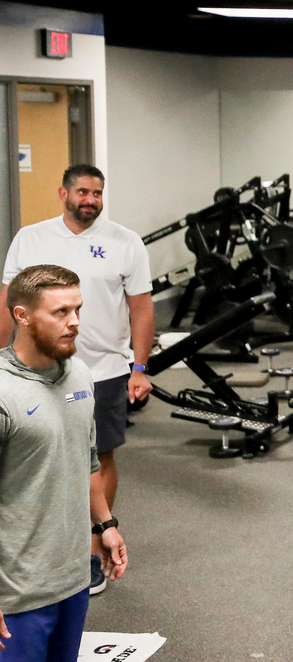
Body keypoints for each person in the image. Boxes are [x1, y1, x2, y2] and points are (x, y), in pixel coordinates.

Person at [0, 164, 152, 596]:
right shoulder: (30, 237)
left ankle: (90, 551)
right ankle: (33, 553)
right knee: (27, 457)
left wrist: (139, 367)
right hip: (31, 368)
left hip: (101, 369)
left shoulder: (126, 242)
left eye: (98, 193)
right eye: (83, 191)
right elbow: (8, 302)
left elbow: (141, 308)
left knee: (98, 456)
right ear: (62, 192)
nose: (91, 200)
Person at [0, 265, 128, 660]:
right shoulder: (3, 393)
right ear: (22, 315)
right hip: (17, 592)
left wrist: (105, 524)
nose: (74, 323)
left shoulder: (79, 375)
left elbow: (86, 458)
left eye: (78, 310)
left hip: (72, 577)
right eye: (60, 312)